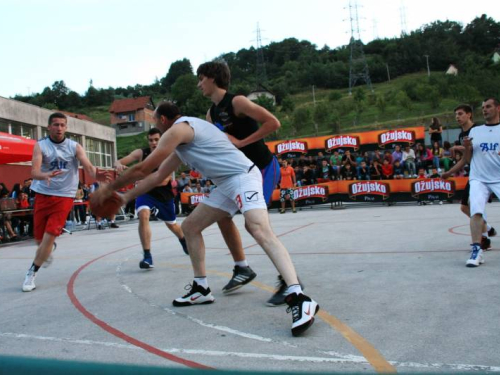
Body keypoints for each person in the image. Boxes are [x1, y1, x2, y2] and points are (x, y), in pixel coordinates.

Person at [93, 102, 319, 336]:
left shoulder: (181, 128)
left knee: (258, 228)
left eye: (154, 123)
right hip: (226, 184)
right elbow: (157, 175)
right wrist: (124, 197)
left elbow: (143, 169)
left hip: (242, 176)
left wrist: (109, 188)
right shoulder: (181, 143)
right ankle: (201, 288)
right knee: (190, 226)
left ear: (162, 121)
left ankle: (299, 297)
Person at [197, 61, 287, 303]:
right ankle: (242, 267)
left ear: (213, 78)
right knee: (221, 216)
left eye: (201, 79)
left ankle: (289, 281)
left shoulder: (237, 102)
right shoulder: (211, 113)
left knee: (255, 225)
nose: (198, 84)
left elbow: (273, 123)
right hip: (237, 173)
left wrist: (241, 142)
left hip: (263, 167)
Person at [22, 112, 110, 292]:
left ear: (66, 127)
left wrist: (96, 174)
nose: (59, 128)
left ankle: (32, 272)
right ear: (49, 127)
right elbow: (34, 172)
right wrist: (44, 175)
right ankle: (47, 248)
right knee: (40, 240)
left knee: (50, 233)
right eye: (56, 124)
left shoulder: (74, 146)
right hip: (42, 193)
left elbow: (88, 166)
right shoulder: (41, 146)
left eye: (62, 125)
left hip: (64, 196)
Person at [115, 128, 188, 267]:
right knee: (143, 215)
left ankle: (183, 240)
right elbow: (123, 159)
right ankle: (147, 256)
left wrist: (143, 181)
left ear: (161, 140)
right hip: (146, 193)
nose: (153, 143)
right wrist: (118, 164)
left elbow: (165, 180)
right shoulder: (142, 153)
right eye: (151, 140)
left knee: (172, 224)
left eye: (156, 140)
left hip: (163, 195)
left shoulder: (168, 155)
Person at [442, 104, 495, 251]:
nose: (457, 117)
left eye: (460, 114)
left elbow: (484, 150)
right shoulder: (461, 135)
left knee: (473, 206)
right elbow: (466, 159)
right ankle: (487, 229)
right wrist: (449, 172)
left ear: (469, 115)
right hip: (476, 174)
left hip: (488, 174)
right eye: (456, 115)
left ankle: (484, 239)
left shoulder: (479, 131)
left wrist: (463, 148)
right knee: (465, 207)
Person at [461, 98, 500, 266]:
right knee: (475, 210)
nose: (484, 110)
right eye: (483, 107)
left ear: (498, 108)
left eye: (488, 106)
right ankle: (477, 250)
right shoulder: (475, 131)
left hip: (498, 177)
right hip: (479, 178)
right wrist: (468, 148)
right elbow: (468, 159)